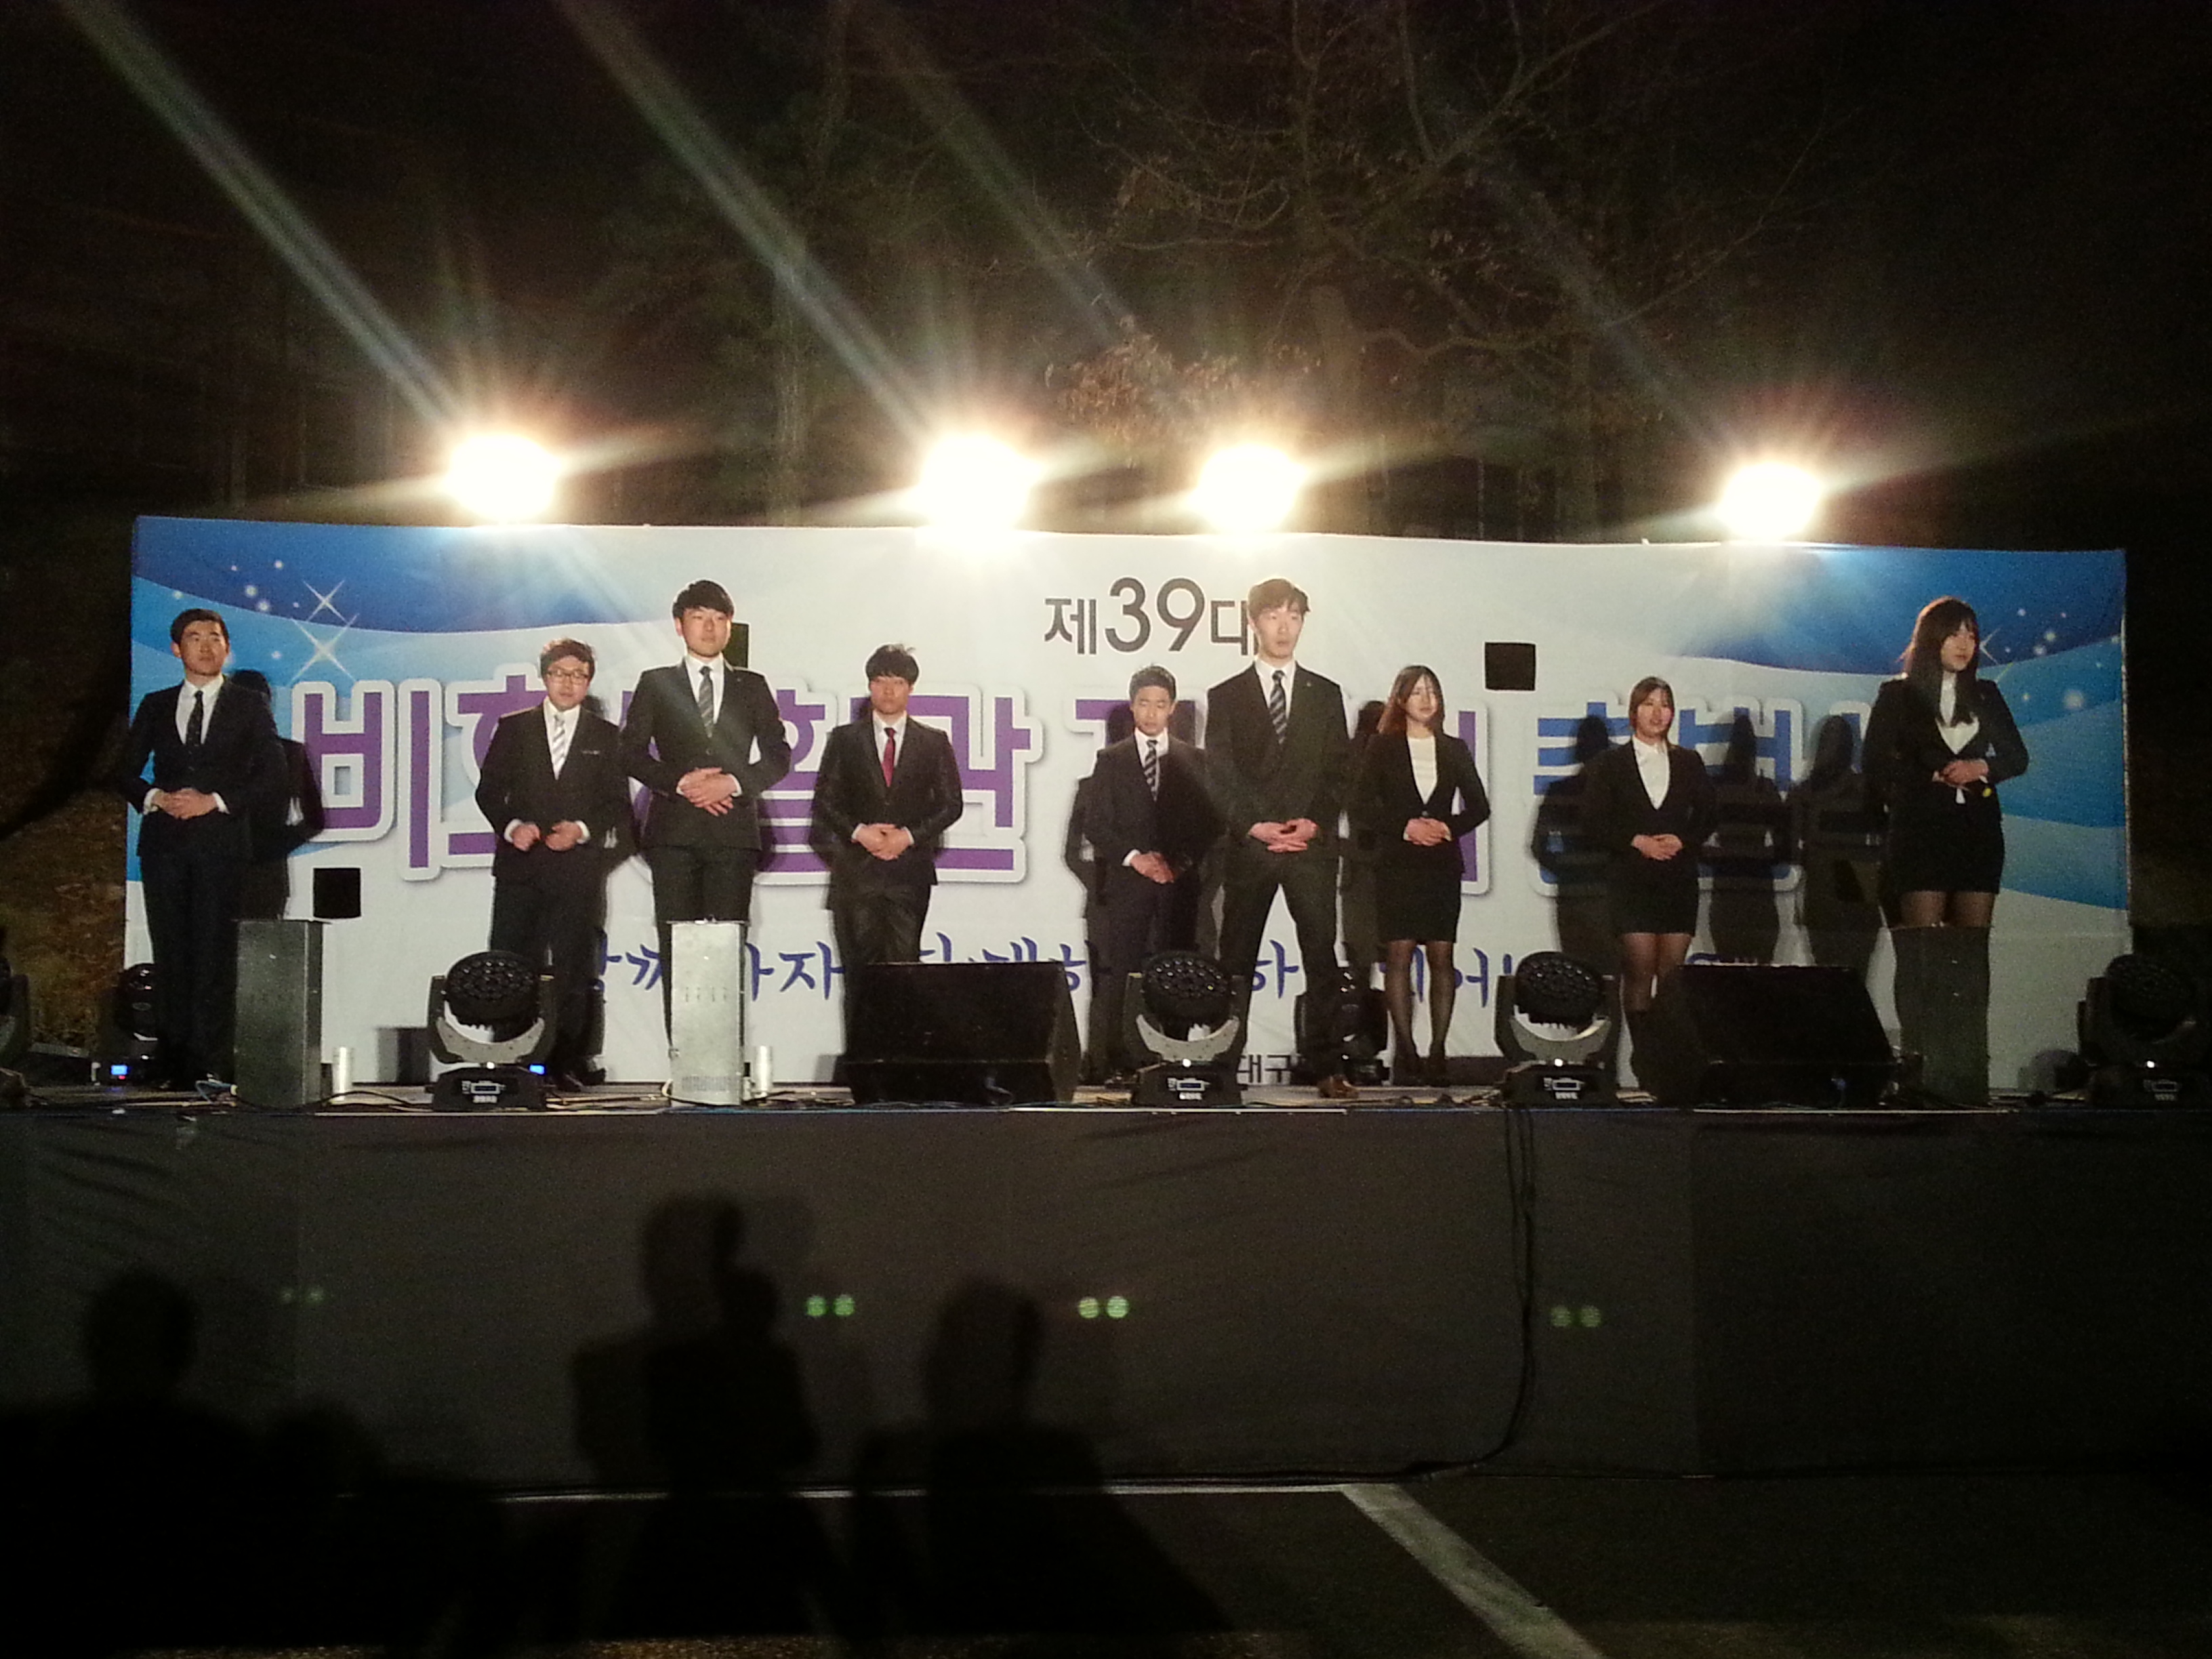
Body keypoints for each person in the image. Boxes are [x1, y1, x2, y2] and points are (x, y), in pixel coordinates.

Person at [1861, 596, 2028, 1104]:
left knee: (1970, 953)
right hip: (1921, 832)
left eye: (1971, 635)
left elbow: (2017, 756)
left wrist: (1982, 768)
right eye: (1955, 634)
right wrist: (1929, 775)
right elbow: (1875, 761)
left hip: (1977, 833)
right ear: (1933, 638)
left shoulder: (1987, 694)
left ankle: (1967, 1071)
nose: (1964, 644)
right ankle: (1921, 1070)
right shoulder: (1899, 694)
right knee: (1924, 953)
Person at [110, 608, 281, 1086]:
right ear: (176, 648)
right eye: (194, 637)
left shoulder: (248, 704)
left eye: (214, 637)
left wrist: (215, 801)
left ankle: (212, 1062)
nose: (205, 646)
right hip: (164, 847)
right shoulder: (157, 704)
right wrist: (155, 797)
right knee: (171, 954)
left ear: (227, 648)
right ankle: (174, 1060)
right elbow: (122, 770)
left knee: (214, 955)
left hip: (220, 847)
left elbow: (273, 775)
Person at [1204, 577, 1355, 1097]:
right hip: (1253, 847)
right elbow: (1218, 775)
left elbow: (1340, 771)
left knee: (1321, 958)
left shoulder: (1325, 693)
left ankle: (1328, 1067)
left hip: (1310, 848)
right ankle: (1224, 1065)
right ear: (1254, 623)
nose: (1284, 627)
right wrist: (1254, 826)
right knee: (1237, 958)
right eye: (1273, 616)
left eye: (1294, 615)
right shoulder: (1227, 695)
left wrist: (1315, 822)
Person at [619, 580, 792, 1025]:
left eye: (719, 619)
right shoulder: (657, 683)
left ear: (730, 626)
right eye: (699, 618)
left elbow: (778, 755)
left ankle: (727, 1057)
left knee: (727, 948)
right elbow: (629, 753)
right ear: (680, 626)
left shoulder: (752, 685)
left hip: (733, 834)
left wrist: (732, 783)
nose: (710, 628)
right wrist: (681, 783)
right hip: (673, 835)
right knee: (677, 947)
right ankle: (682, 1055)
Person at [475, 639, 636, 1087]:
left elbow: (617, 806)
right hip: (521, 867)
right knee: (512, 961)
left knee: (572, 967)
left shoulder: (606, 736)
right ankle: (511, 1059)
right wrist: (512, 827)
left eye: (579, 675)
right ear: (545, 676)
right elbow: (489, 791)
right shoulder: (514, 728)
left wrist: (581, 830)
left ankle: (563, 1062)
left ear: (589, 681)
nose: (569, 683)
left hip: (577, 869)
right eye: (560, 673)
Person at [1349, 665, 1491, 1086]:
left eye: (1432, 691)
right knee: (1399, 956)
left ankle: (1438, 1051)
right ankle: (1407, 1051)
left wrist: (1448, 828)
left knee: (1441, 957)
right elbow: (1361, 806)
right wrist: (1404, 827)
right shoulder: (1382, 747)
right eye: (1417, 692)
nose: (1426, 700)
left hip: (1441, 865)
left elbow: (1479, 806)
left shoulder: (1454, 748)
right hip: (1399, 863)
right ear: (1401, 700)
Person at [1082, 666, 1224, 1078]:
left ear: (1172, 709)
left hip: (1179, 887)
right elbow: (1096, 824)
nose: (1151, 713)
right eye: (1144, 703)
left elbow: (1210, 823)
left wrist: (1177, 864)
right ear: (1132, 706)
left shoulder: (1193, 759)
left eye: (1160, 705)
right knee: (1124, 974)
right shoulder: (1111, 760)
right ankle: (1122, 1062)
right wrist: (1135, 858)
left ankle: (1176, 1057)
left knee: (1179, 969)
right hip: (1128, 885)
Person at [1581, 676, 1717, 1075]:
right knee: (1639, 970)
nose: (1658, 713)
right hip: (1632, 879)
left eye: (1665, 705)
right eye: (1649, 704)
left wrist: (1683, 840)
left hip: (1677, 878)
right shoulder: (1610, 764)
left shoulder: (1688, 761)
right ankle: (1643, 1059)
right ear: (1634, 711)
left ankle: (1668, 1058)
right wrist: (1636, 841)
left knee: (1672, 977)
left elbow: (1709, 814)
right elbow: (1593, 822)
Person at [807, 644, 965, 979]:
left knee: (905, 973)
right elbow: (825, 801)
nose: (888, 690)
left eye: (898, 682)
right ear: (870, 686)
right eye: (880, 681)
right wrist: (861, 833)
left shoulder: (933, 741)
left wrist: (906, 837)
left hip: (909, 875)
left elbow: (951, 804)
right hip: (857, 874)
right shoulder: (845, 739)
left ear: (911, 687)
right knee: (860, 975)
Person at [227, 668, 326, 921]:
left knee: (261, 940)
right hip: (217, 871)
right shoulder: (208, 755)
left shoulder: (291, 753)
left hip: (264, 874)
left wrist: (273, 845)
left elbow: (315, 819)